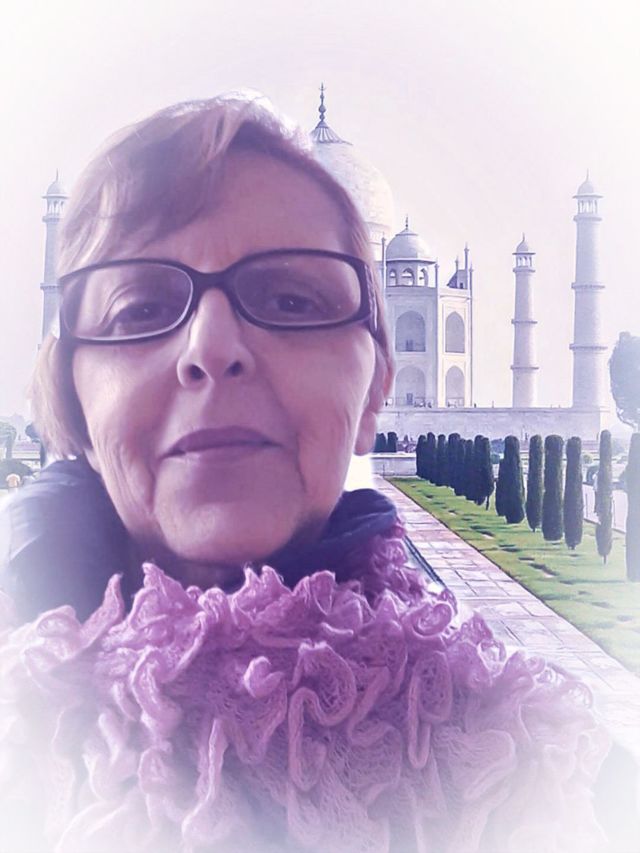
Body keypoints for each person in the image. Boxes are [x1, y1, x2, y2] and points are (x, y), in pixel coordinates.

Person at [0, 95, 617, 853]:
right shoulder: (21, 727)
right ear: (72, 395)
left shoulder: (522, 765)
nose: (212, 347)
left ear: (375, 389)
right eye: (140, 308)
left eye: (292, 300)